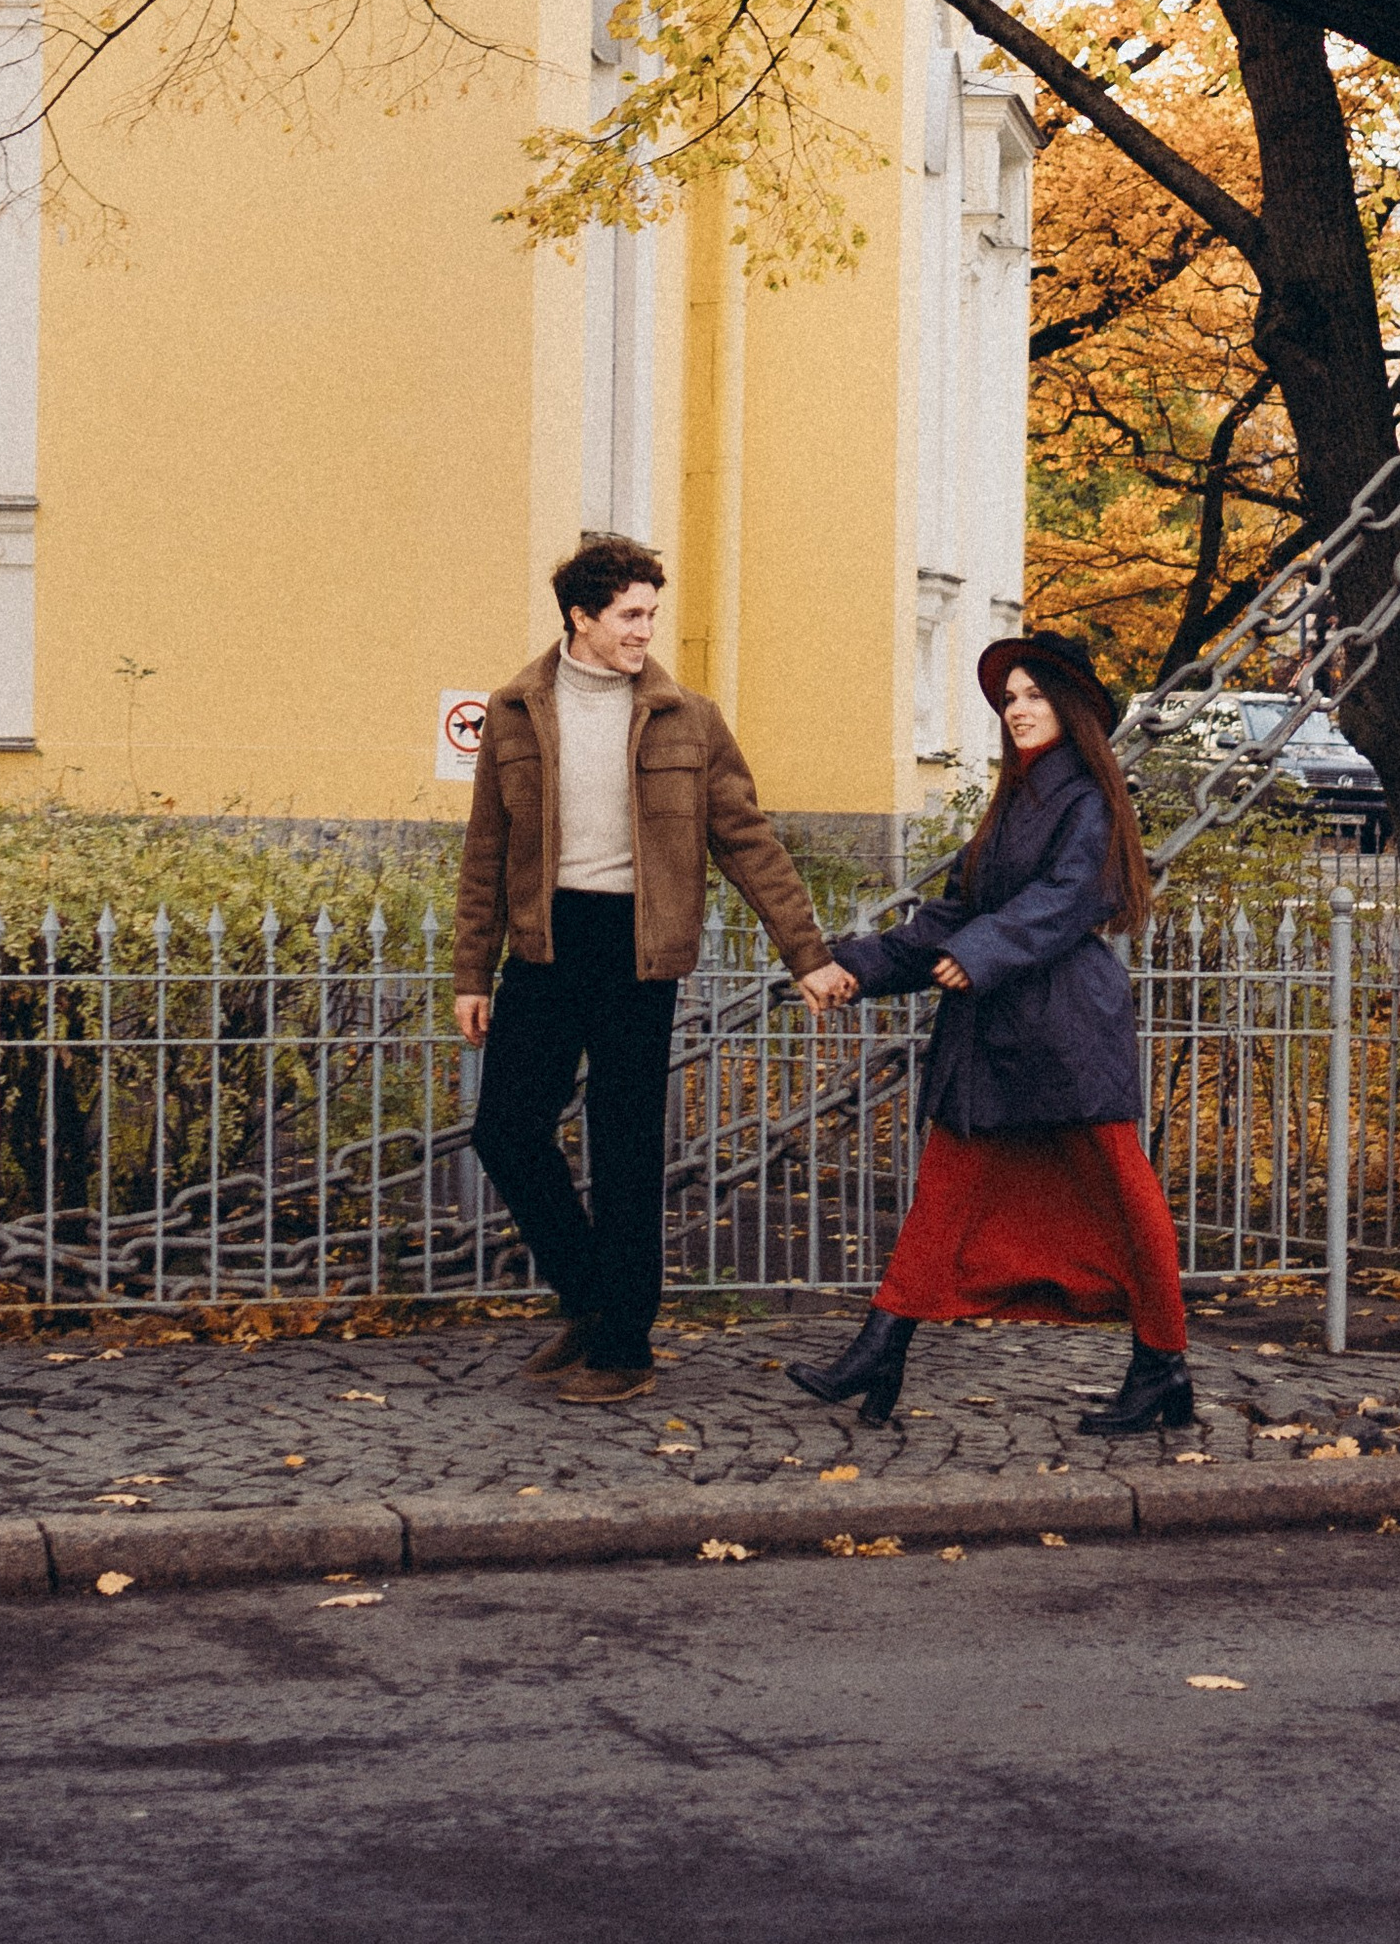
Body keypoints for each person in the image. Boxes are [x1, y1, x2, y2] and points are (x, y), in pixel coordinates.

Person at [454, 536, 850, 1405]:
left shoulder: (690, 718)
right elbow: (487, 852)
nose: (645, 632)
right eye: (630, 615)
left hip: (640, 949)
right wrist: (471, 975)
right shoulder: (516, 709)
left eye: (650, 616)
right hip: (545, 944)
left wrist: (807, 956)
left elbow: (749, 842)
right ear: (581, 618)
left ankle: (623, 1349)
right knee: (506, 1130)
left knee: (625, 1147)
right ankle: (595, 1302)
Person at [787, 631, 1192, 1436]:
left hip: (1068, 1031)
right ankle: (883, 1344)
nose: (1017, 710)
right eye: (1010, 699)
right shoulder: (1015, 804)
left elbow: (1072, 897)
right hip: (998, 1035)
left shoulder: (1088, 800)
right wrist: (851, 967)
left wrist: (977, 955)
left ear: (1071, 707)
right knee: (947, 1189)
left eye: (1035, 695)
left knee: (1122, 1194)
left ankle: (1164, 1368)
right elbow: (953, 914)